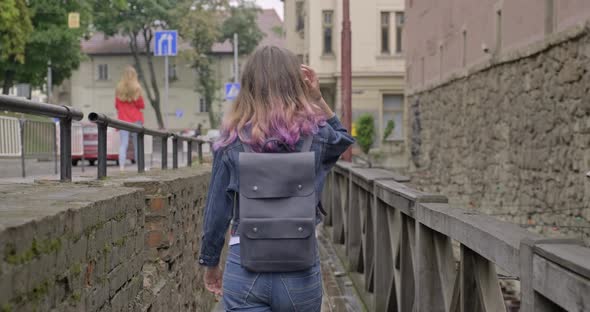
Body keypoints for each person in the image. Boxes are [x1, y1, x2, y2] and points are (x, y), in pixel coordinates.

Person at [198, 46, 354, 311]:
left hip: (244, 265)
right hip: (300, 268)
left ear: (248, 86)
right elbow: (343, 141)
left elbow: (217, 212)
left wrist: (210, 262)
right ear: (295, 85)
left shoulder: (230, 141)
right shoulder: (316, 136)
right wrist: (318, 100)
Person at [115, 66, 145, 171]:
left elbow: (117, 106)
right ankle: (140, 166)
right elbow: (141, 105)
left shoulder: (119, 88)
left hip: (123, 119)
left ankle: (122, 167)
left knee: (123, 143)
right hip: (136, 119)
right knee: (138, 144)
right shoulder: (137, 88)